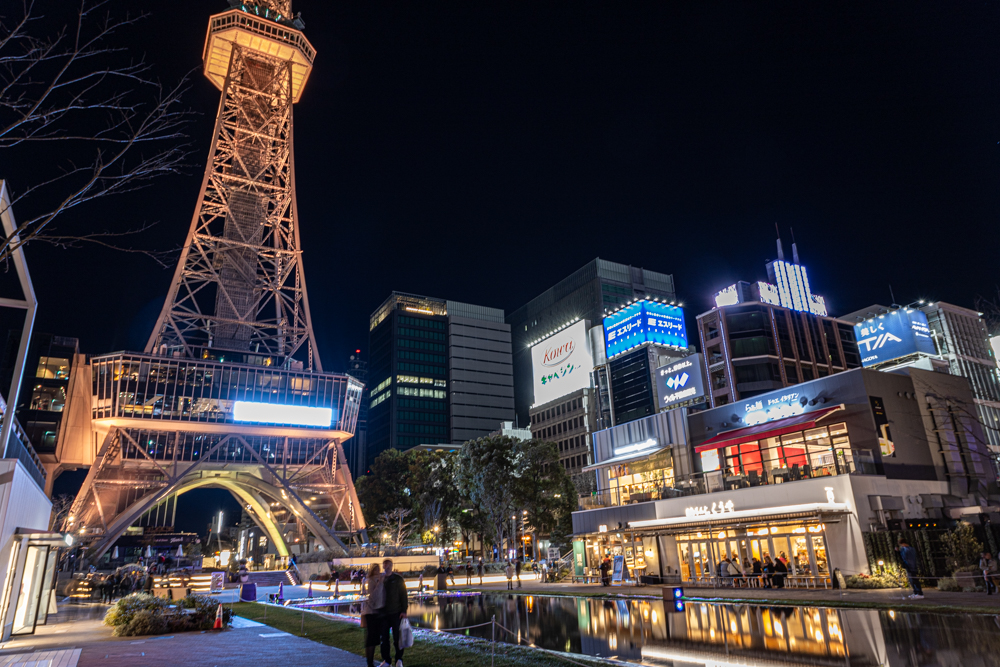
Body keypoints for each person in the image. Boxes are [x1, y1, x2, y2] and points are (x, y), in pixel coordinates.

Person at [381, 559, 408, 667]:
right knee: (384, 638)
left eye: (388, 565)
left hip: (396, 613)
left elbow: (403, 596)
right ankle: (387, 660)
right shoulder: (381, 579)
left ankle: (399, 659)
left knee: (398, 638)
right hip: (383, 614)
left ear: (391, 566)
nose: (386, 566)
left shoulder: (398, 579)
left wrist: (404, 611)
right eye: (385, 564)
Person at [360, 563, 385, 667]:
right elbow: (373, 595)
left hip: (378, 612)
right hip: (372, 612)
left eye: (378, 569)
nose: (377, 571)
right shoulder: (371, 581)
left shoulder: (378, 579)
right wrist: (380, 583)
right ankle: (370, 662)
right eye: (376, 569)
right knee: (371, 638)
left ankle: (371, 661)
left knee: (374, 639)